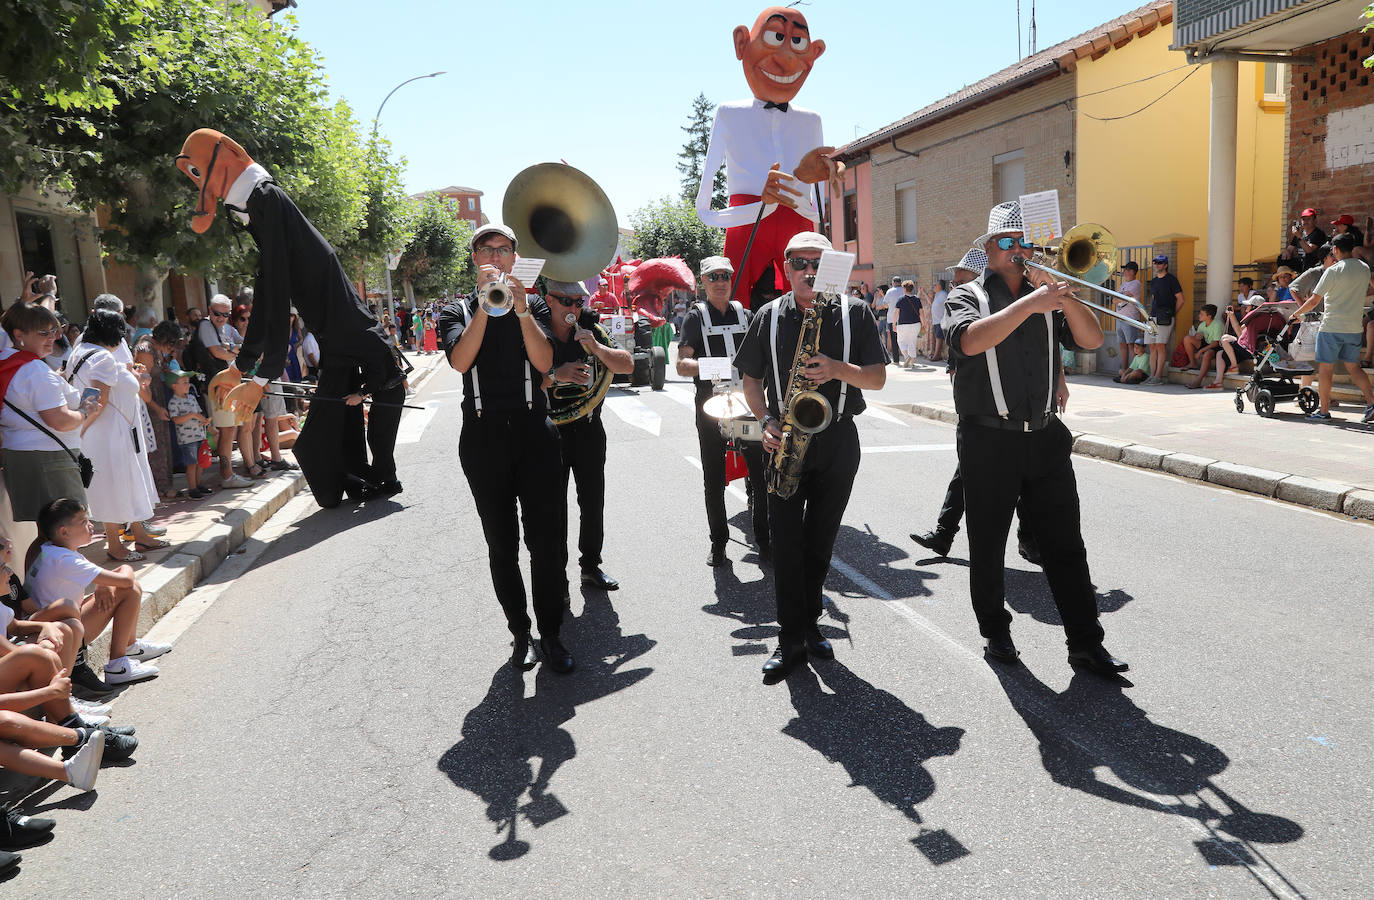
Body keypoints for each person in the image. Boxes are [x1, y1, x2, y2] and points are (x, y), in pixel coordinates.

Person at [942, 200, 1128, 676]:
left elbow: (1089, 340)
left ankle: (1086, 643)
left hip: (1044, 436)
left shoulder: (1047, 295)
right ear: (989, 249)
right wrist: (1034, 302)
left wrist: (1064, 298)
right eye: (1008, 242)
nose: (1019, 251)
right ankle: (996, 632)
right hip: (989, 440)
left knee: (1066, 545)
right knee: (987, 544)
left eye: (1025, 242)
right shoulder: (967, 297)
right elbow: (967, 342)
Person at [175, 129, 407, 507]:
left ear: (231, 153)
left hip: (356, 339)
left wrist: (261, 376)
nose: (202, 185)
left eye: (199, 172)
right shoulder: (262, 205)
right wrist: (243, 368)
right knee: (324, 437)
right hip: (340, 342)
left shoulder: (267, 198)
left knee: (337, 435)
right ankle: (364, 481)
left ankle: (379, 478)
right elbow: (268, 291)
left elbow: (276, 296)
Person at [735, 231, 886, 683]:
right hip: (784, 439)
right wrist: (765, 422)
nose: (808, 270)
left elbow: (876, 379)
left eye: (816, 262)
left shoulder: (854, 312)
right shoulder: (768, 316)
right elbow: (750, 382)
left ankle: (811, 624)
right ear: (785, 268)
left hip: (838, 440)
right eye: (798, 262)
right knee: (785, 544)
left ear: (831, 267)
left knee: (820, 541)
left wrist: (838, 370)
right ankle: (789, 636)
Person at [438, 223, 572, 674]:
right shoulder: (453, 310)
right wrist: (483, 306)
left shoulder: (532, 305)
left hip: (534, 432)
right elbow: (460, 361)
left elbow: (546, 361)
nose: (495, 256)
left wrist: (517, 310)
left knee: (546, 543)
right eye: (486, 249)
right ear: (475, 259)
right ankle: (520, 632)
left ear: (515, 258)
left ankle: (551, 634)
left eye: (503, 249)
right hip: (483, 437)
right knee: (502, 544)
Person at [695, 6, 841, 309]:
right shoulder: (728, 114)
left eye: (797, 43)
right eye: (776, 37)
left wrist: (803, 188)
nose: (787, 58)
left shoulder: (812, 121)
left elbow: (819, 211)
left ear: (814, 53)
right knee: (733, 308)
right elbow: (704, 211)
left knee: (823, 303)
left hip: (799, 226)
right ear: (742, 44)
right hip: (746, 222)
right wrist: (760, 205)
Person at [676, 255, 771, 567]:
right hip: (711, 407)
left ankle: (765, 541)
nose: (720, 282)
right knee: (714, 478)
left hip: (747, 405)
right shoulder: (695, 316)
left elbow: (765, 354)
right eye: (713, 276)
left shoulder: (747, 315)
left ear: (732, 280)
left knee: (760, 474)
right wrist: (711, 367)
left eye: (725, 276)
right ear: (703, 282)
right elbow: (681, 363)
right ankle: (718, 543)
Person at [543, 279, 633, 592]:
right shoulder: (536, 333)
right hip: (549, 432)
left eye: (578, 302)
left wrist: (594, 346)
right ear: (549, 300)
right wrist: (558, 375)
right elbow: (521, 381)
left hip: (589, 430)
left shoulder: (591, 331)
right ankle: (557, 577)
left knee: (592, 502)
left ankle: (590, 566)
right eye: (566, 301)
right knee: (553, 508)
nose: (573, 308)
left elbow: (627, 365)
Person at [26, 498, 169, 685]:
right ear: (64, 532)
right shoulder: (66, 560)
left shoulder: (48, 550)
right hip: (64, 634)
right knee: (130, 588)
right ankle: (118, 665)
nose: (91, 525)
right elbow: (125, 580)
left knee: (117, 586)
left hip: (55, 623)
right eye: (84, 522)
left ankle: (130, 645)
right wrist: (124, 568)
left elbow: (99, 575)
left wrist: (103, 583)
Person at [66, 310, 166, 562]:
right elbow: (96, 401)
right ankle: (115, 545)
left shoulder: (81, 351)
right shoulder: (101, 358)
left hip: (108, 432)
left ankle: (139, 534)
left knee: (123, 484)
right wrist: (80, 432)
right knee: (113, 487)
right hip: (108, 434)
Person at [0, 303, 97, 522]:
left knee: (46, 533)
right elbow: (60, 421)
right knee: (66, 530)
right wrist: (84, 411)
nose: (52, 337)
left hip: (24, 455)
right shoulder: (34, 370)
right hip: (48, 459)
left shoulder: (9, 362)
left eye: (54, 331)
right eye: (43, 333)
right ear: (18, 335)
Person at [1288, 233, 1374, 422]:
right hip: (1354, 327)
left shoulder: (1333, 271)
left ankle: (1324, 412)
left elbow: (1313, 301)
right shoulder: (1363, 268)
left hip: (1331, 327)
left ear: (1335, 250)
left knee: (1325, 370)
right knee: (1353, 367)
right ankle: (1372, 402)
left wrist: (1295, 315)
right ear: (1352, 248)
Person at [134, 321, 181, 500]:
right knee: (155, 446)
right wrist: (156, 407)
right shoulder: (146, 350)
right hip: (148, 402)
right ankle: (159, 488)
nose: (173, 346)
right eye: (172, 342)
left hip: (155, 398)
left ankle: (164, 485)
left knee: (162, 443)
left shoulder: (152, 346)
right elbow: (141, 384)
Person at [166, 370, 211, 498]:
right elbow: (175, 420)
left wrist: (204, 421)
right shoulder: (173, 402)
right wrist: (192, 415)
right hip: (187, 439)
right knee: (192, 463)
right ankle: (192, 488)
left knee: (200, 462)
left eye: (188, 382)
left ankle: (198, 484)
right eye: (184, 383)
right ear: (174, 386)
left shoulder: (191, 398)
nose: (188, 385)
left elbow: (199, 413)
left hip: (199, 434)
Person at [1145, 253, 1184, 385]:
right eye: (1155, 262)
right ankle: (1152, 375)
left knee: (1161, 346)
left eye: (1160, 262)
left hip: (1165, 317)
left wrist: (1172, 313)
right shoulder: (1154, 281)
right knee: (1152, 346)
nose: (1156, 264)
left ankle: (1158, 376)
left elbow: (1180, 299)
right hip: (1153, 316)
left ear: (1165, 265)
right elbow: (1153, 298)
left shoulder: (1171, 279)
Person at [1114, 261, 1147, 379]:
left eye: (1127, 270)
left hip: (1130, 318)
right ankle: (1124, 370)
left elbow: (1124, 297)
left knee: (1132, 345)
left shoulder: (1136, 284)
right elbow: (1115, 299)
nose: (1124, 272)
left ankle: (1133, 371)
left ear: (1133, 272)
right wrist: (1122, 295)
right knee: (1122, 344)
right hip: (1120, 317)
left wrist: (1121, 296)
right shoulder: (1123, 284)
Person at [1184, 305, 1225, 388]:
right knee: (1187, 338)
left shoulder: (1217, 325)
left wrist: (1200, 351)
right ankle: (1192, 363)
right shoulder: (1202, 325)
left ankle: (1198, 381)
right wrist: (1197, 336)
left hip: (1217, 347)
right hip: (1207, 343)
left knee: (1207, 354)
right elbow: (1197, 338)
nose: (1199, 316)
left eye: (1202, 314)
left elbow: (1215, 344)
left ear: (1209, 316)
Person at [894, 280, 922, 367]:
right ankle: (911, 363)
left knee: (901, 341)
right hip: (916, 324)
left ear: (904, 288)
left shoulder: (900, 299)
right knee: (912, 342)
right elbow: (922, 313)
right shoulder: (917, 299)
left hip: (903, 324)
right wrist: (923, 324)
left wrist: (894, 324)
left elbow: (896, 313)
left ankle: (907, 357)